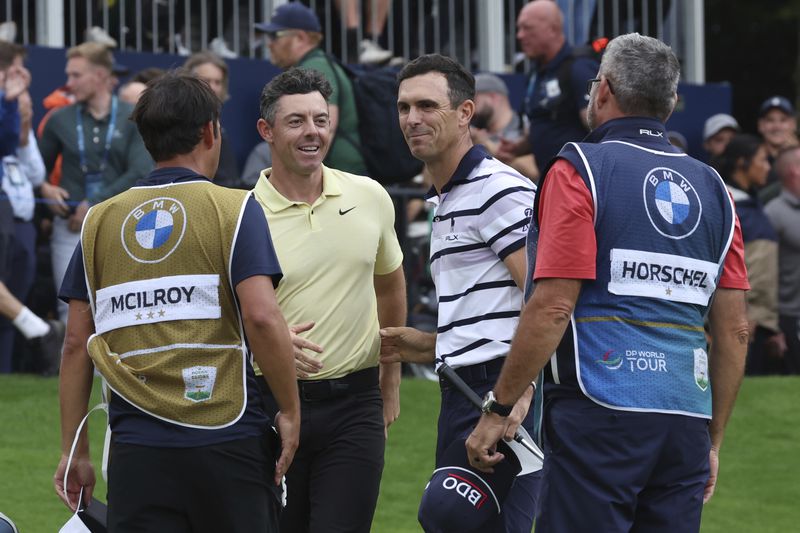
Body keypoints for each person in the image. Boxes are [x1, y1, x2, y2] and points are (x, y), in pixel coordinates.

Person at [466, 33, 750, 532]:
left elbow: (553, 305)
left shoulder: (581, 167)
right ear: (670, 103)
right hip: (686, 419)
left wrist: (500, 405)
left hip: (600, 410)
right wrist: (712, 442)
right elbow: (734, 332)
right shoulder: (715, 189)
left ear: (605, 91)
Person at [53, 72, 300, 532]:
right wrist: (290, 409)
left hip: (136, 449)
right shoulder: (235, 207)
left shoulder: (99, 222)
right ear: (211, 131)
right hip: (228, 436)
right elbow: (263, 318)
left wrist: (75, 452)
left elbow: (74, 344)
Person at [381, 54, 538, 531]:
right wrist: (430, 345)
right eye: (404, 107)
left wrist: (514, 397)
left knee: (451, 517)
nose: (413, 119)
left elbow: (546, 301)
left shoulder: (499, 189)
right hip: (466, 386)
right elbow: (496, 311)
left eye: (427, 106)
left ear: (466, 113)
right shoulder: (448, 199)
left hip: (501, 390)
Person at [252, 67, 406, 532]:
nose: (312, 132)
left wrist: (390, 378)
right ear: (267, 131)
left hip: (356, 405)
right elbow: (223, 313)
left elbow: (390, 285)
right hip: (270, 405)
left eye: (320, 119)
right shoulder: (240, 215)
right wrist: (263, 340)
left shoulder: (370, 196)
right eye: (296, 121)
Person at [38, 42, 152, 322]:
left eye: (76, 75)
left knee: (119, 303)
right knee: (70, 305)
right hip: (69, 227)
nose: (68, 83)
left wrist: (95, 203)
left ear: (101, 75)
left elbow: (140, 170)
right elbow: (36, 169)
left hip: (118, 224)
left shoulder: (131, 116)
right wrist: (45, 188)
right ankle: (71, 367)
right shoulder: (59, 119)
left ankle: (111, 368)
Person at [256, 2, 368, 176]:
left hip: (341, 174)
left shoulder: (315, 66)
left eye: (275, 35)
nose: (269, 44)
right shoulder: (316, 63)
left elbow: (329, 125)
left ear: (300, 38)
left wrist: (304, 175)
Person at [0, 41, 55, 372]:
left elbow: (25, 162)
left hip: (13, 212)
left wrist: (14, 115)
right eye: (15, 68)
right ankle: (36, 327)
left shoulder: (12, 105)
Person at [497, 0, 598, 177]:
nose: (520, 35)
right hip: (550, 181)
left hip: (579, 182)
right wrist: (518, 148)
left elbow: (599, 127)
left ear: (552, 29)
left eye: (527, 28)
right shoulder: (535, 75)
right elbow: (545, 126)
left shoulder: (578, 68)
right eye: (519, 29)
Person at [713, 134, 783, 375]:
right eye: (762, 159)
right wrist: (743, 314)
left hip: (762, 323)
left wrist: (771, 324)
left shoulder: (755, 203)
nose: (768, 167)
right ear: (742, 162)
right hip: (740, 322)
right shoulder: (724, 203)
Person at [183, 51, 242, 189]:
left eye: (218, 82)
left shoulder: (217, 122)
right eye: (207, 81)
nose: (213, 87)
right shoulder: (182, 123)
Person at [765, 146, 800, 374]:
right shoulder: (773, 212)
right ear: (794, 170)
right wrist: (773, 326)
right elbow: (764, 274)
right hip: (790, 318)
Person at [470, 72, 539, 181]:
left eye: (474, 100)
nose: (470, 109)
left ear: (493, 97)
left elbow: (534, 170)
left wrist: (486, 145)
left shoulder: (526, 127)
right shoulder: (470, 134)